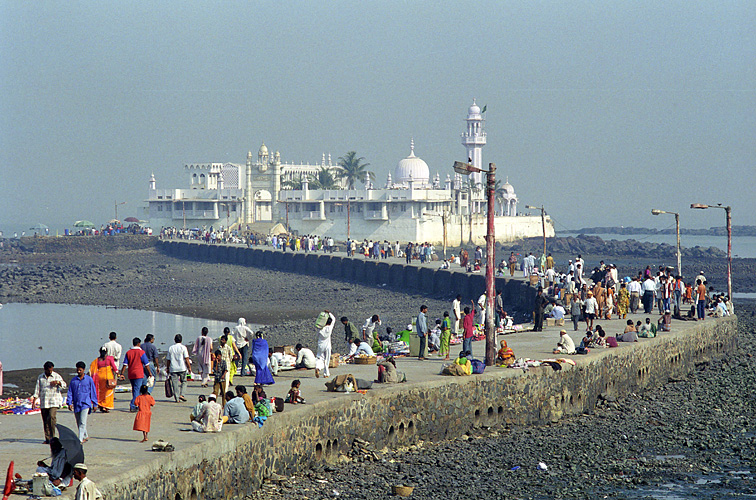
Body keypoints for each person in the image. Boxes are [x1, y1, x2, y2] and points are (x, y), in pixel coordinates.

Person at [31, 361, 67, 443]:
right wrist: (34, 401)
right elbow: (37, 389)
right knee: (45, 420)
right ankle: (48, 438)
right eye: (49, 370)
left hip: (53, 401)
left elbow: (64, 385)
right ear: (45, 369)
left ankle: (53, 436)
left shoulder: (56, 376)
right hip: (44, 402)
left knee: (51, 417)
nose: (50, 371)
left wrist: (58, 382)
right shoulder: (40, 377)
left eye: (51, 370)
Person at [67, 361, 98, 443]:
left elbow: (93, 391)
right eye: (78, 370)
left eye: (80, 370)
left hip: (86, 404)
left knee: (82, 422)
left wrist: (95, 403)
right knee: (78, 422)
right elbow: (70, 392)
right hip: (76, 404)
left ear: (84, 370)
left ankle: (79, 440)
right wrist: (69, 403)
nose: (79, 371)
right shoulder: (73, 381)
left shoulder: (89, 380)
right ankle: (85, 435)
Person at [119, 337, 153, 412]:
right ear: (138, 344)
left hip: (131, 373)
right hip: (139, 374)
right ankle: (133, 405)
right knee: (137, 390)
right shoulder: (141, 353)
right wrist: (150, 373)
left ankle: (137, 403)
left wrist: (122, 373)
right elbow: (146, 364)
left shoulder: (128, 352)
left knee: (135, 389)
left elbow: (125, 364)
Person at [166, 334, 192, 403]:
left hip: (173, 368)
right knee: (184, 381)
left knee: (175, 383)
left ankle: (177, 398)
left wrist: (167, 368)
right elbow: (186, 358)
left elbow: (168, 359)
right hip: (182, 367)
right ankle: (182, 395)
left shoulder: (171, 348)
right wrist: (189, 367)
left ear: (174, 340)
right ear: (181, 340)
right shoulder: (183, 347)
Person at [315, 311, 335, 379]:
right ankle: (326, 373)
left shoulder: (321, 329)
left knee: (319, 357)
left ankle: (318, 367)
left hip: (321, 344)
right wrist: (329, 313)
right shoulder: (330, 328)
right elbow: (334, 319)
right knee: (327, 359)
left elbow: (317, 336)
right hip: (327, 345)